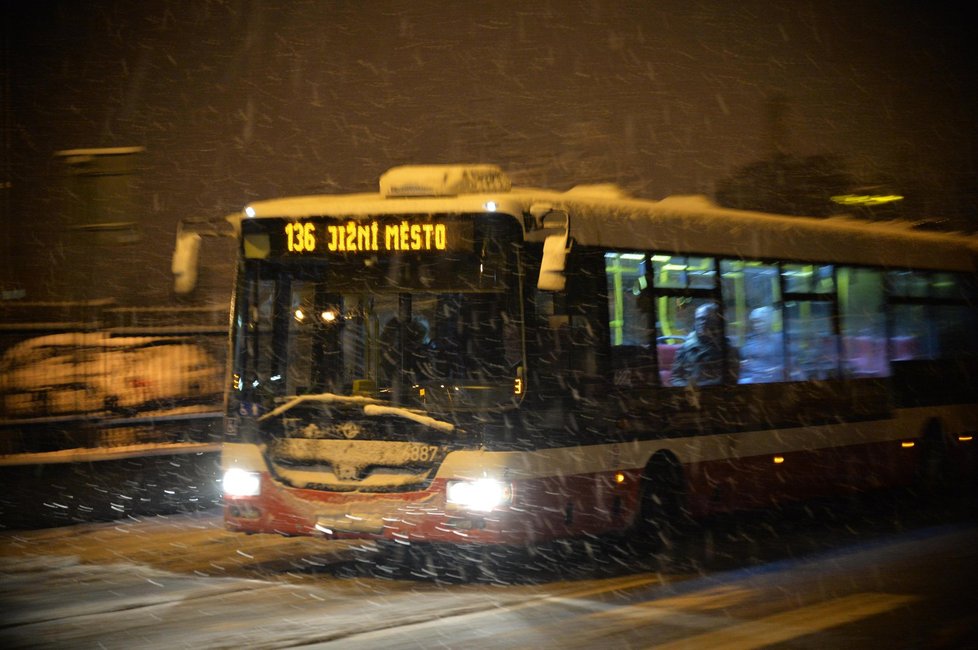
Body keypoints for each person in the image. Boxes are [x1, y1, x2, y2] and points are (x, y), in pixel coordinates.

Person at [670, 302, 739, 386]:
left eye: (706, 319)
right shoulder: (685, 348)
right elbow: (675, 378)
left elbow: (731, 379)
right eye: (698, 319)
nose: (701, 323)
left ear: (716, 322)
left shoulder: (728, 349)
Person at [739, 306, 784, 383]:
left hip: (772, 379)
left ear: (769, 321)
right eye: (754, 322)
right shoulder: (750, 339)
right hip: (752, 377)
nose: (756, 325)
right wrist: (745, 362)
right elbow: (746, 357)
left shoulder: (779, 339)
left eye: (760, 321)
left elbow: (789, 362)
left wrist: (777, 369)